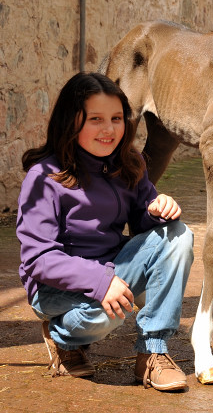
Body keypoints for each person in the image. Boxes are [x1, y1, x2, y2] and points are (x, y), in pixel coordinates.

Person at [17, 72, 194, 392]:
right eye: (95, 119)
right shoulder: (44, 177)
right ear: (71, 122)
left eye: (116, 118)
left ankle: (152, 351)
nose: (109, 128)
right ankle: (62, 338)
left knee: (178, 235)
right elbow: (38, 259)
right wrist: (100, 282)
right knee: (108, 312)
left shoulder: (129, 163)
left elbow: (143, 225)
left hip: (112, 268)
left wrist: (157, 210)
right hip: (53, 287)